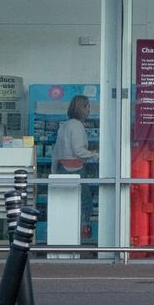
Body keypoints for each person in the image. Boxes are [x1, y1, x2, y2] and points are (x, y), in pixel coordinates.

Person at [52, 95, 99, 236]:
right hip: (75, 170)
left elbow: (56, 151)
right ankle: (81, 235)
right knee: (85, 204)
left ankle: (65, 234)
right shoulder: (77, 126)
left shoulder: (65, 125)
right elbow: (78, 150)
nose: (89, 110)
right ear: (82, 108)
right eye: (88, 106)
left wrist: (54, 172)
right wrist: (94, 154)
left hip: (62, 170)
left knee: (66, 204)